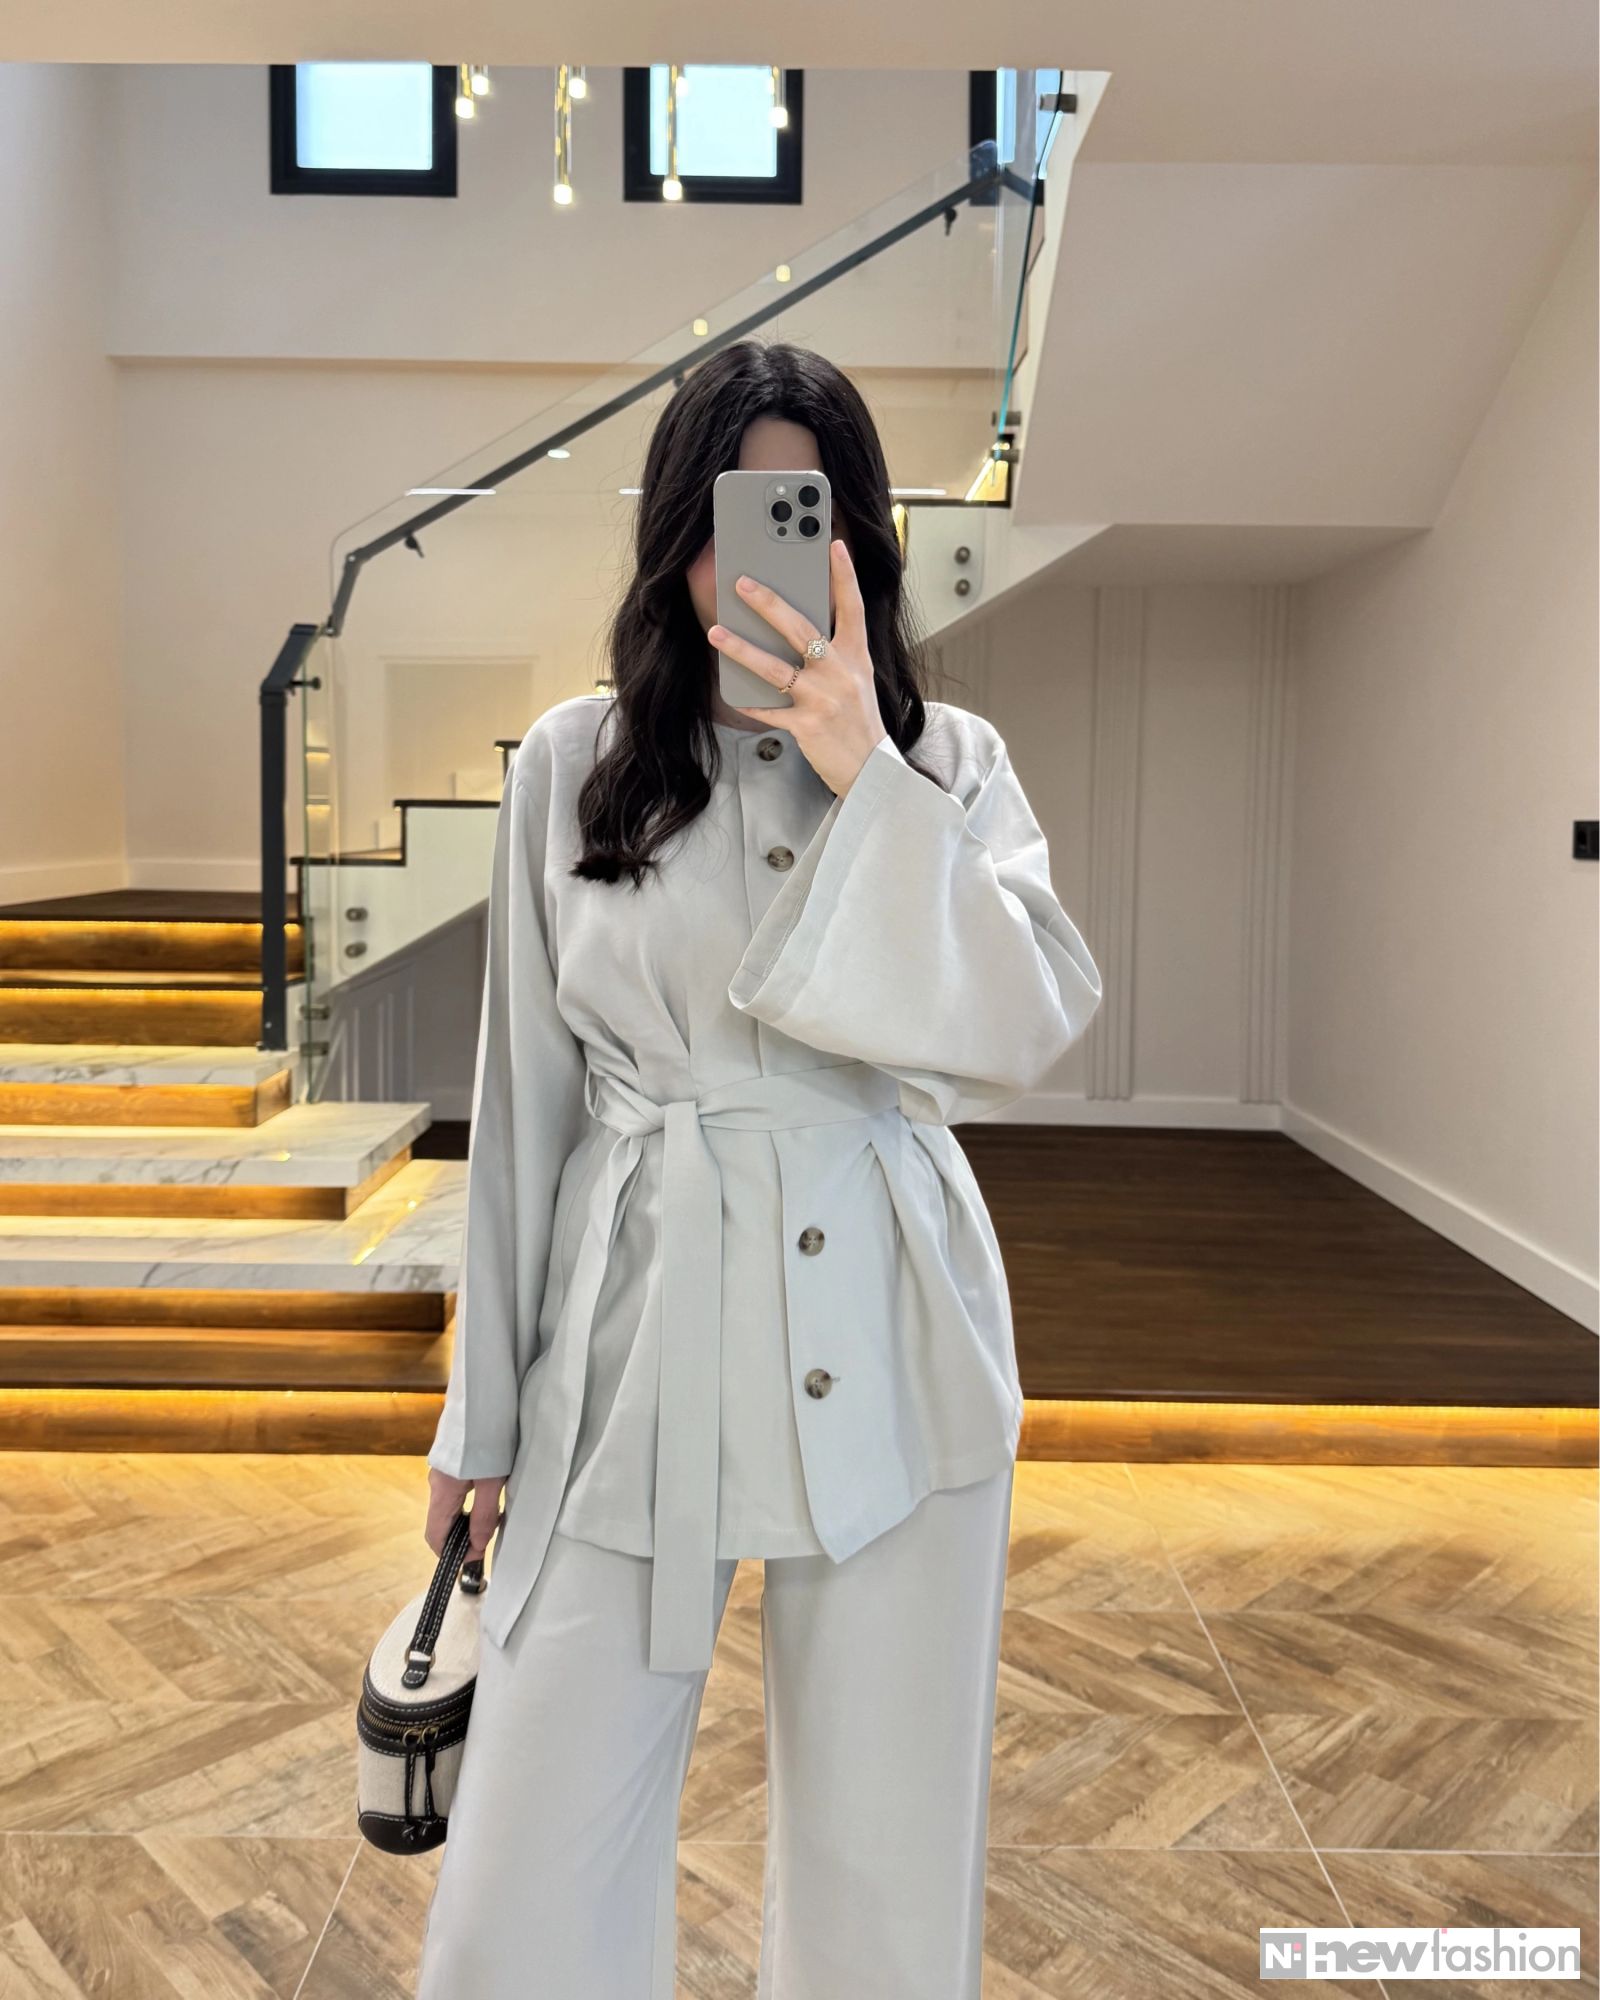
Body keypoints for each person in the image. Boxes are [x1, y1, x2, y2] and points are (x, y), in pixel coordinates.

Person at [412, 339, 1103, 1999]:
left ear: (859, 544)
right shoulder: (571, 762)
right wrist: (478, 1424)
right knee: (522, 1888)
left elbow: (1027, 1020)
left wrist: (872, 776)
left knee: (887, 1875)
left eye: (810, 519)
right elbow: (524, 1111)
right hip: (629, 1339)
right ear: (678, 536)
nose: (765, 564)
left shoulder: (951, 762)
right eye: (736, 518)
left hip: (900, 1342)